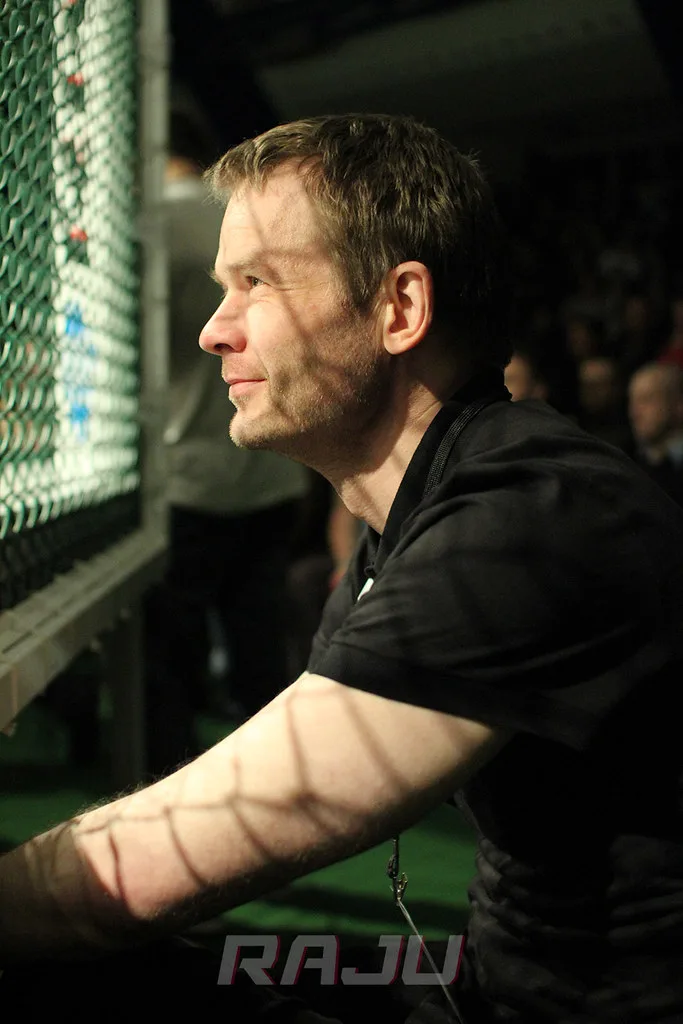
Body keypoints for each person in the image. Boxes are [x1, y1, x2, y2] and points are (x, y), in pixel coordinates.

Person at [1, 113, 683, 1024]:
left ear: (399, 309)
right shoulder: (422, 507)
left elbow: (153, 867)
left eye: (256, 283)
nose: (213, 331)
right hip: (487, 975)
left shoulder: (530, 522)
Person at [143, 100, 308, 774]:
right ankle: (274, 785)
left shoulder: (151, 225)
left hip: (186, 473)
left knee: (168, 660)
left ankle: (173, 787)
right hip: (275, 467)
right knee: (258, 644)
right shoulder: (253, 215)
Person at [628, 361, 683, 506]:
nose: (634, 413)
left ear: (678, 404)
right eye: (632, 402)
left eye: (646, 400)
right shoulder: (630, 464)